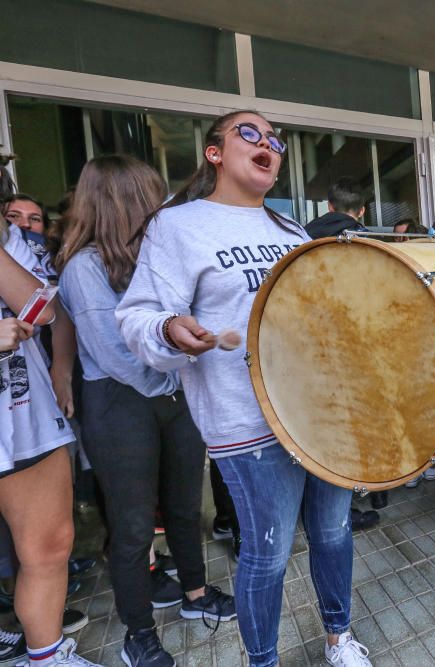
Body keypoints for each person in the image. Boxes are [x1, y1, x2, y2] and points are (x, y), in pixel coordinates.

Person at [117, 111, 371, 667]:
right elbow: (136, 316)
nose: (268, 145)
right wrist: (169, 329)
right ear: (215, 153)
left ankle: (338, 637)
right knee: (268, 552)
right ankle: (263, 660)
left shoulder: (289, 230)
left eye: (275, 140)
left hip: (319, 412)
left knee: (332, 530)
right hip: (245, 420)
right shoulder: (178, 225)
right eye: (249, 134)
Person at [56, 155, 237, 666]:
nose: (161, 208)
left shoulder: (157, 258)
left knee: (184, 506)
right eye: (149, 197)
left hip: (172, 394)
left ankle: (197, 596)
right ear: (125, 205)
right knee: (133, 526)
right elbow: (117, 358)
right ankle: (138, 634)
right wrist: (185, 366)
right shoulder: (83, 268)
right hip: (120, 405)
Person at [0, 219, 95, 666]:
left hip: (23, 407)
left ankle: (46, 656)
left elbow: (46, 311)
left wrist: (61, 370)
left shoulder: (17, 243)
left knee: (50, 543)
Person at [305, 178, 385, 522]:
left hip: (312, 348)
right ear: (362, 210)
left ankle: (325, 499)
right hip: (362, 347)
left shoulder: (298, 238)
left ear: (329, 206)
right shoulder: (371, 242)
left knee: (322, 426)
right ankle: (365, 496)